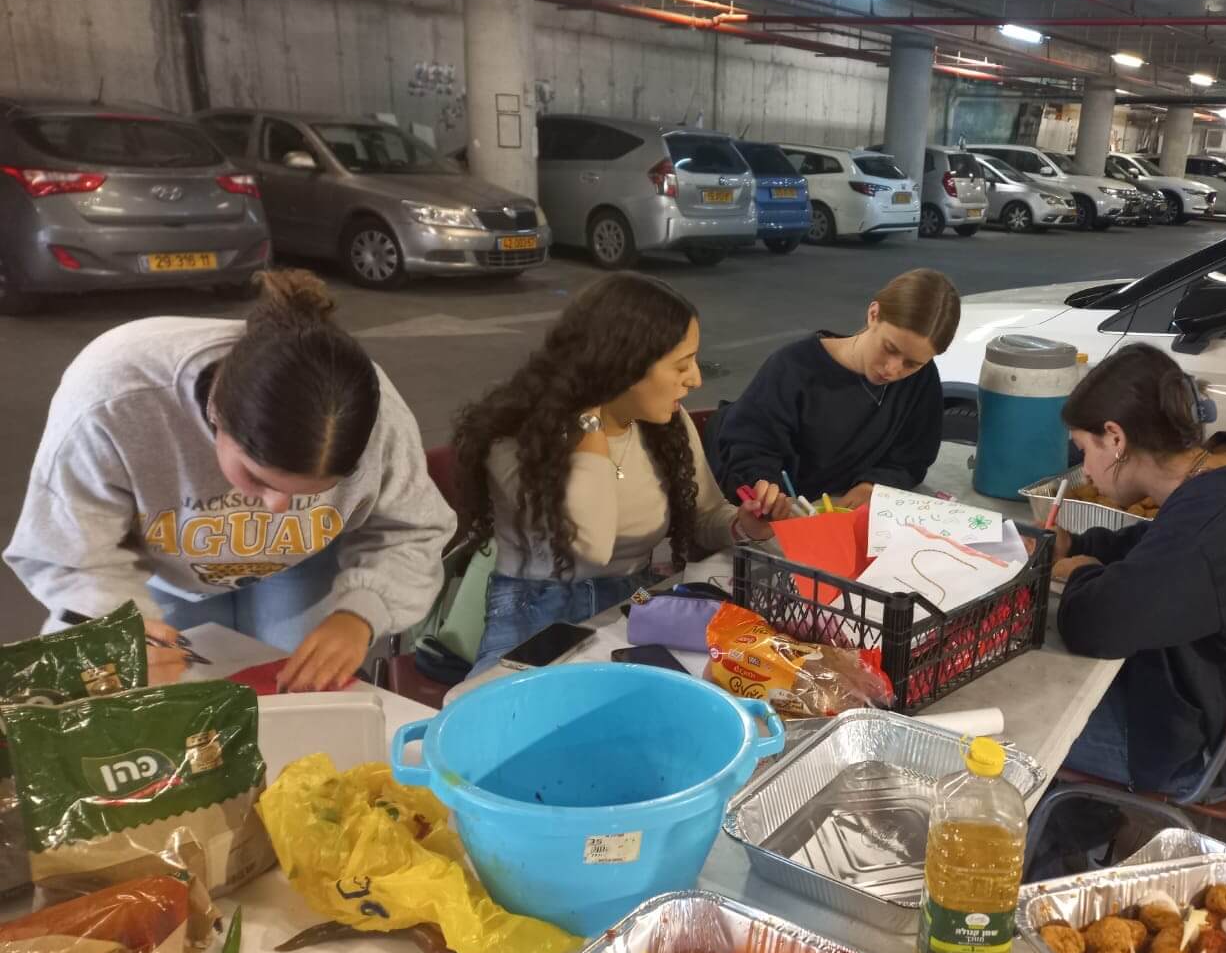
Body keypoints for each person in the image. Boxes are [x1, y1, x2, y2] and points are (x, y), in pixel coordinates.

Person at [5, 270, 455, 691]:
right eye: (257, 479)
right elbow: (72, 552)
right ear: (215, 416)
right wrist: (113, 625)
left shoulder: (377, 416)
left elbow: (412, 528)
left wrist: (361, 614)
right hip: (163, 565)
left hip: (304, 564)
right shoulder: (112, 398)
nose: (276, 508)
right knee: (162, 692)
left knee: (297, 693)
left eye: (310, 494)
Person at [1049, 342, 1226, 803]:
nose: (1084, 470)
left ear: (1116, 438)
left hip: (1187, 746)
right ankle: (1082, 828)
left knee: (1009, 722)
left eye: (1084, 449)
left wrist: (1082, 573)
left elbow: (1094, 627)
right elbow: (1155, 554)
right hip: (1211, 708)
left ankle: (1058, 844)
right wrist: (1081, 546)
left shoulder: (1213, 522)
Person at [454, 273, 778, 677]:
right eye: (681, 365)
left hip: (637, 596)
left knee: (715, 681)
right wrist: (591, 424)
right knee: (519, 719)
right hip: (537, 613)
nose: (696, 379)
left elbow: (704, 514)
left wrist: (740, 524)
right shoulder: (520, 438)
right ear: (623, 367)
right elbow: (591, 546)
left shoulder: (665, 424)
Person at [709, 268, 960, 511]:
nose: (892, 369)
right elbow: (749, 447)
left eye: (912, 363)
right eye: (890, 348)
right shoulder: (794, 368)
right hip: (783, 514)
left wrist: (873, 484)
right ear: (874, 314)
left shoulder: (921, 380)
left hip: (846, 516)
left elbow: (912, 458)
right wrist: (765, 487)